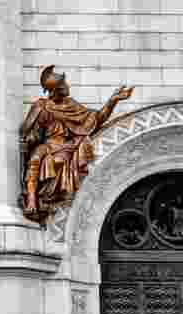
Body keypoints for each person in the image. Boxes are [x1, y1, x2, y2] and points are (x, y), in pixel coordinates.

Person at [21, 66, 132, 223]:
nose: (67, 87)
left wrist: (113, 100)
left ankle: (46, 196)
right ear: (56, 89)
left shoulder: (71, 105)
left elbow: (97, 118)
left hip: (66, 146)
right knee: (35, 159)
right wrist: (30, 137)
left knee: (53, 160)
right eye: (64, 85)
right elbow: (28, 131)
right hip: (48, 145)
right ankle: (32, 199)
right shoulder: (41, 106)